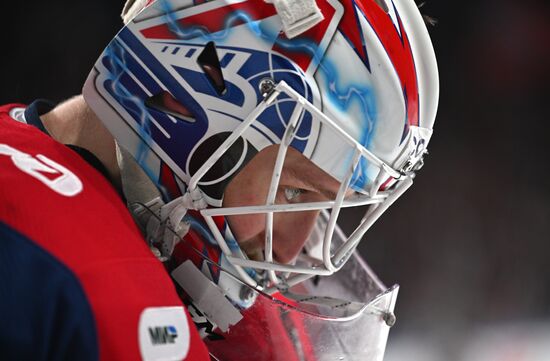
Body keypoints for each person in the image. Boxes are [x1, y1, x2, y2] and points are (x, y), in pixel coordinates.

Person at [0, 0, 438, 360]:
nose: (290, 253)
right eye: (293, 192)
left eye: (326, 207)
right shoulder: (50, 274)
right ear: (196, 93)